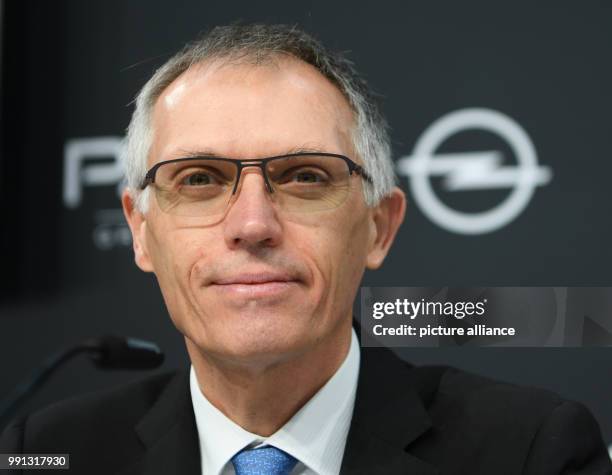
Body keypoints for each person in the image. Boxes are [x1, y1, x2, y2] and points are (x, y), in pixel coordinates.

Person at [1, 23, 611, 475]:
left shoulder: (532, 451)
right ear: (139, 229)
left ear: (379, 227)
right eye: (200, 179)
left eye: (304, 177)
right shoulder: (48, 452)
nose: (253, 223)